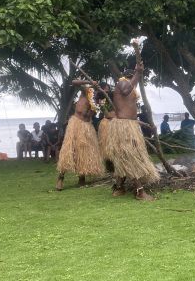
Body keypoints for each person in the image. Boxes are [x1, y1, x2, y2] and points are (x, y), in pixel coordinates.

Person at [104, 64, 159, 201]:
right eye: (132, 78)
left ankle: (119, 187)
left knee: (126, 156)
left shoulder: (129, 86)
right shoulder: (123, 83)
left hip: (130, 125)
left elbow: (129, 110)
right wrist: (138, 73)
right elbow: (125, 90)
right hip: (123, 127)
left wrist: (142, 123)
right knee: (129, 156)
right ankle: (139, 192)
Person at [56, 80, 105, 190]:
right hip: (76, 123)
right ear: (98, 87)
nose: (105, 91)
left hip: (87, 126)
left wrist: (96, 106)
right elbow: (74, 82)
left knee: (84, 152)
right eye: (104, 89)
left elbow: (91, 114)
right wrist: (90, 82)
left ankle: (81, 179)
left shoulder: (99, 101)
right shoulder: (87, 91)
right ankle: (60, 178)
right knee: (69, 151)